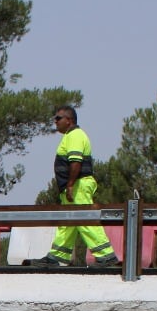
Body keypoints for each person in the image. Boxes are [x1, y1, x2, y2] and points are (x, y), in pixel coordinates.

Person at [42, 106, 118, 268]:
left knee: (85, 218)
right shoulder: (70, 136)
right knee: (67, 221)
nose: (55, 122)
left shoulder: (75, 135)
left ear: (69, 120)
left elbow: (75, 162)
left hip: (78, 185)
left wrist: (70, 185)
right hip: (73, 186)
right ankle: (58, 256)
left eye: (58, 118)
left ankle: (106, 256)